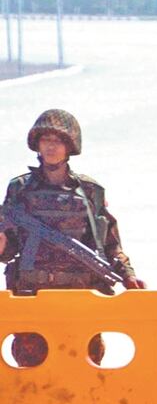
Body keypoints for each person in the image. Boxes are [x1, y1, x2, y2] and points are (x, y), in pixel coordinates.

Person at [0, 109, 145, 367]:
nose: (51, 146)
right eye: (46, 140)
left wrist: (128, 275)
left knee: (84, 366)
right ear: (37, 145)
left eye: (58, 140)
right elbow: (8, 248)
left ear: (70, 146)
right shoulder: (19, 189)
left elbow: (109, 243)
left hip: (80, 297)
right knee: (31, 372)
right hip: (33, 295)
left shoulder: (89, 191)